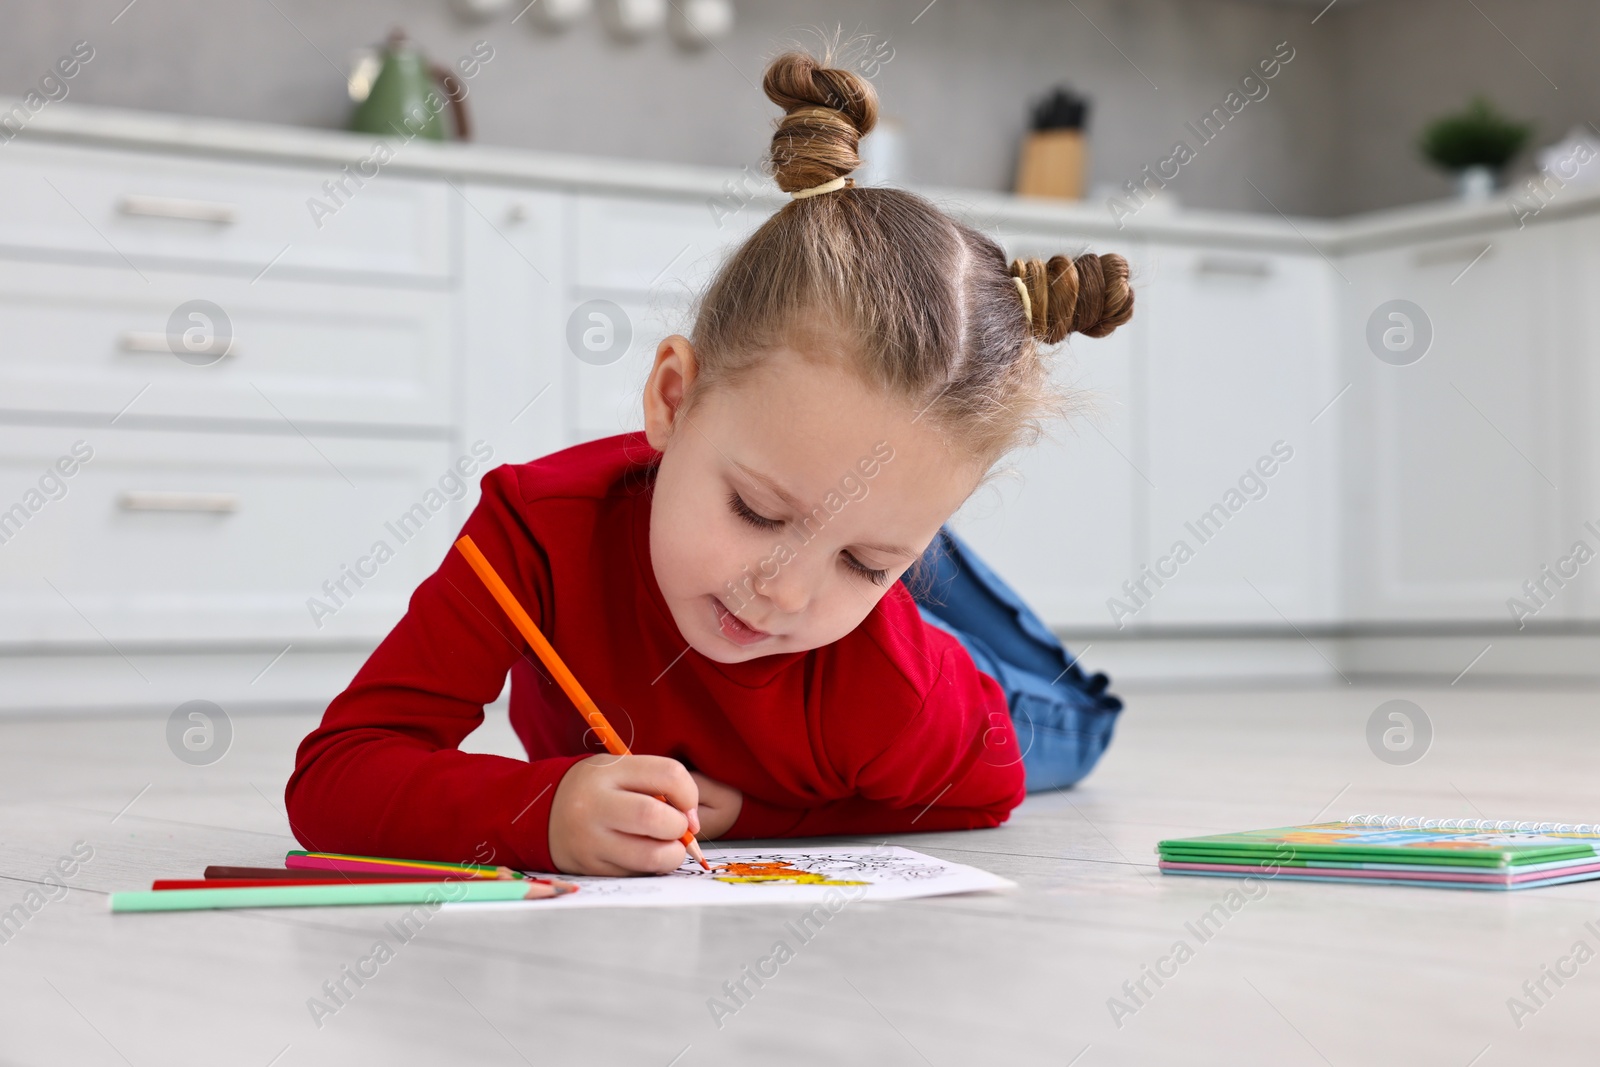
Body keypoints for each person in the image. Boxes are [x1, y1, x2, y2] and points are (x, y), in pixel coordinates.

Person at [286, 45, 1134, 876]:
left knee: (1072, 721)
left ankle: (958, 606)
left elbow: (991, 791)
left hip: (977, 693)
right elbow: (336, 774)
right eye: (757, 512)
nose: (783, 589)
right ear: (672, 398)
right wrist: (544, 811)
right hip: (870, 580)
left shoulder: (891, 687)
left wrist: (767, 814)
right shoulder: (533, 533)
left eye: (864, 561)